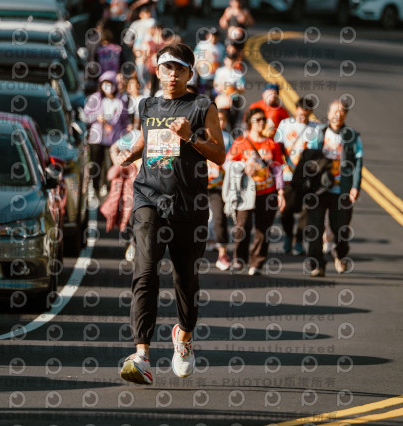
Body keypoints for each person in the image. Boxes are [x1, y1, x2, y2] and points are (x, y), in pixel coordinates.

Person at [111, 43, 226, 384]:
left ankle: (184, 336)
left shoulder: (202, 106)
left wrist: (191, 137)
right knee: (145, 273)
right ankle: (142, 355)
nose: (172, 74)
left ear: (190, 73)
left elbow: (219, 154)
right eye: (166, 68)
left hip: (189, 205)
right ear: (157, 71)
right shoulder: (147, 105)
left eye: (179, 68)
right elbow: (146, 140)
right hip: (148, 197)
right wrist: (129, 154)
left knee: (185, 279)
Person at [306, 100, 363, 277]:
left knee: (341, 229)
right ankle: (317, 264)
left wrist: (355, 187)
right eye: (335, 111)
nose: (338, 115)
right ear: (329, 114)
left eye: (342, 112)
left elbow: (358, 163)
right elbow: (308, 158)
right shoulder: (319, 134)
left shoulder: (353, 136)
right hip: (319, 190)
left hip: (341, 190)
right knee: (315, 229)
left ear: (345, 115)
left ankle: (340, 254)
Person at [225, 108, 285, 276]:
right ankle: (239, 260)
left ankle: (257, 262)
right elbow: (227, 164)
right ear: (249, 122)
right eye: (257, 120)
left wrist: (280, 192)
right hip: (246, 193)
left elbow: (277, 169)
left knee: (263, 229)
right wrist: (243, 166)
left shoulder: (271, 144)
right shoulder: (241, 142)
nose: (261, 123)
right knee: (242, 226)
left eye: (263, 120)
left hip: (267, 192)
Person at [275, 97, 319, 256]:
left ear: (310, 112)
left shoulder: (317, 129)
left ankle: (299, 240)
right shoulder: (285, 125)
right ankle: (288, 236)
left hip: (308, 177)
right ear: (296, 110)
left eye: (306, 114)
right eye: (300, 112)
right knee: (286, 209)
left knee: (307, 209)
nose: (303, 116)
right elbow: (277, 146)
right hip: (288, 175)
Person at [84, 71, 130, 199]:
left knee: (110, 165)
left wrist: (125, 135)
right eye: (105, 85)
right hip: (97, 138)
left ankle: (109, 189)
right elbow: (86, 115)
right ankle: (94, 188)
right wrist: (97, 117)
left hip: (113, 139)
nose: (108, 88)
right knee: (95, 163)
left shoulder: (121, 100)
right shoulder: (95, 98)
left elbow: (124, 120)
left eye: (110, 85)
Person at [208, 109, 232, 270]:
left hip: (218, 185)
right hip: (198, 184)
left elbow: (232, 158)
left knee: (219, 217)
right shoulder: (199, 133)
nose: (219, 122)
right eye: (216, 119)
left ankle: (222, 253)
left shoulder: (228, 138)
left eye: (222, 119)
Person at [193, 27, 225, 97]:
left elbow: (223, 61)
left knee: (212, 95)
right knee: (201, 93)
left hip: (214, 75)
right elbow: (195, 58)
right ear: (208, 36)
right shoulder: (201, 45)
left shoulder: (221, 48)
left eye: (216, 37)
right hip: (202, 75)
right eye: (212, 36)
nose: (214, 38)